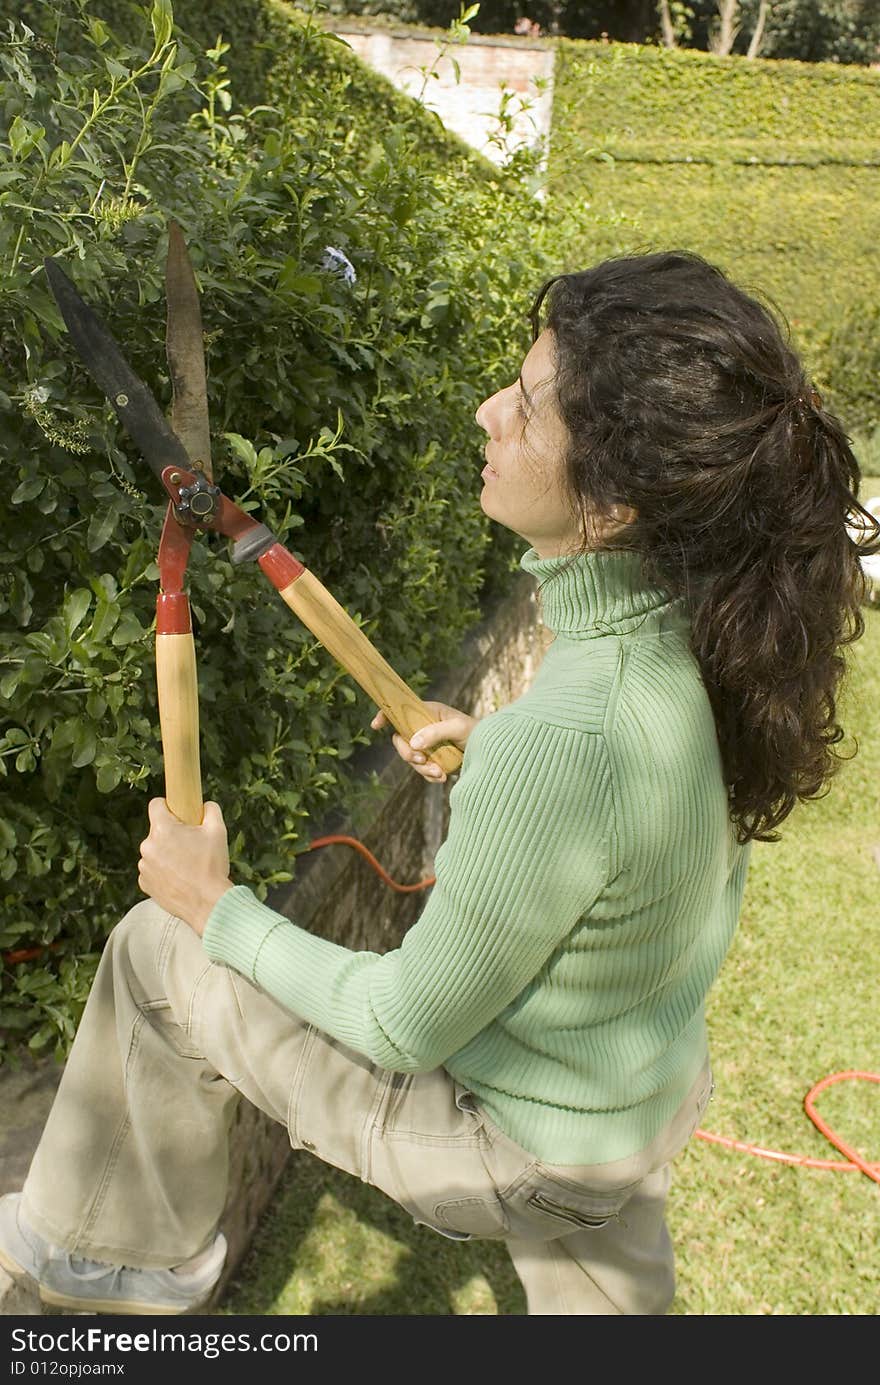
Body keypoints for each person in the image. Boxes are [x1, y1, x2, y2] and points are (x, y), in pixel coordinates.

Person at [1, 250, 876, 1317]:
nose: (485, 409)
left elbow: (402, 1024)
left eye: (527, 407)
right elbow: (617, 813)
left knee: (154, 953)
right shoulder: (692, 648)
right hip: (630, 1112)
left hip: (514, 1147)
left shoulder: (564, 738)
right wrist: (495, 739)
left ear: (615, 503)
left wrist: (213, 907)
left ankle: (103, 1270)